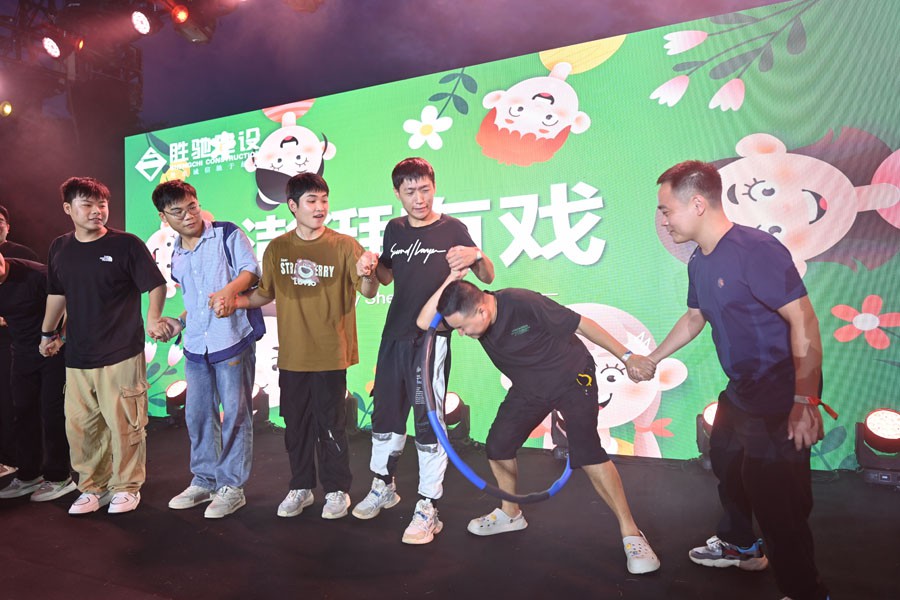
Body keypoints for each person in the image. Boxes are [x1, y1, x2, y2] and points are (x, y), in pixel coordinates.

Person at [650, 161, 829, 600]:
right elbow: (695, 317)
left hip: (781, 390)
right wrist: (653, 358)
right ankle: (741, 545)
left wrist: (805, 400)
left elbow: (804, 321)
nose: (664, 220)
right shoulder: (699, 260)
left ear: (697, 203)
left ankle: (805, 592)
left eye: (666, 210)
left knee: (777, 499)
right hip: (742, 390)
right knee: (727, 461)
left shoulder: (756, 250)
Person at [416, 273, 661, 574]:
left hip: (572, 379)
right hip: (529, 387)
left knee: (587, 452)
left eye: (462, 328)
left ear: (481, 311)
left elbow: (582, 324)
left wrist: (627, 356)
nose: (462, 334)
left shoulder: (521, 302)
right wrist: (452, 279)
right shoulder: (468, 310)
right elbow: (423, 323)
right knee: (498, 445)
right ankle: (511, 514)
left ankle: (631, 533)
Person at [352, 157, 495, 545]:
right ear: (397, 194)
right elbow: (386, 276)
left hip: (431, 339)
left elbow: (487, 275)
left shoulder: (453, 228)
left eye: (425, 189)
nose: (420, 199)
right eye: (411, 192)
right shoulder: (394, 229)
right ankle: (383, 485)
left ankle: (428, 506)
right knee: (385, 415)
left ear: (434, 186)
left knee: (428, 421)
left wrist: (477, 255)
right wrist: (370, 268)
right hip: (393, 336)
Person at [222, 172, 379, 519]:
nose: (320, 207)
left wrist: (369, 273)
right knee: (296, 426)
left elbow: (368, 292)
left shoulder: (344, 245)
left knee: (331, 426)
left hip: (330, 353)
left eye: (324, 200)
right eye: (311, 201)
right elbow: (265, 294)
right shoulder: (278, 248)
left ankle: (337, 490)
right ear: (292, 206)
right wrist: (236, 301)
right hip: (292, 356)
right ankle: (301, 487)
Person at [40, 177, 167, 516]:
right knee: (81, 427)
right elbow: (57, 293)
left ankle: (126, 486)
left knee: (125, 424)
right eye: (87, 205)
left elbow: (155, 284)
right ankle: (92, 486)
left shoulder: (126, 245)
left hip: (121, 351)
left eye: (102, 205)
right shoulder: (59, 247)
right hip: (78, 355)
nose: (97, 211)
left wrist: (154, 318)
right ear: (68, 209)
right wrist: (47, 334)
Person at [150, 180, 264, 519]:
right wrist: (178, 323)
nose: (189, 216)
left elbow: (251, 271)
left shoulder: (227, 234)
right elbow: (196, 302)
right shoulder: (177, 254)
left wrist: (229, 291)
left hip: (232, 339)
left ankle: (232, 487)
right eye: (178, 212)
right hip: (196, 345)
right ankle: (204, 479)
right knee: (198, 415)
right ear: (164, 217)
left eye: (192, 207)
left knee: (236, 414)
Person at [0, 253, 75, 502]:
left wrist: (61, 338)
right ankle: (29, 474)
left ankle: (59, 477)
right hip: (22, 353)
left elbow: (74, 303)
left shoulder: (36, 275)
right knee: (22, 413)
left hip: (54, 351)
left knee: (53, 414)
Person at [0, 204, 38, 478]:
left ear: (8, 226)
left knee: (14, 402)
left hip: (17, 342)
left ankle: (16, 460)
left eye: (0, 220)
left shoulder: (23, 256)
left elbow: (47, 298)